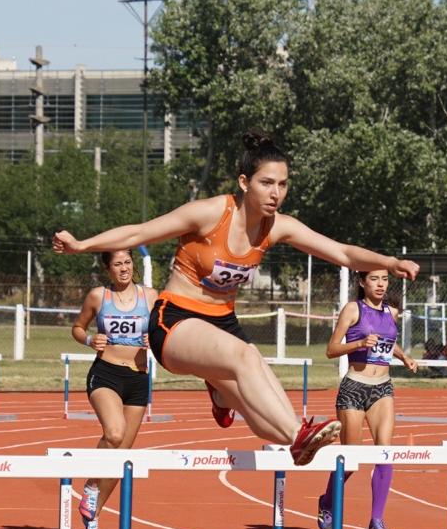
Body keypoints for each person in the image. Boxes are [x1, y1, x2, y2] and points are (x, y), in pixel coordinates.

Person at [53, 130, 420, 466]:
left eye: (283, 184)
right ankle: (298, 434)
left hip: (223, 325)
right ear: (245, 183)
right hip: (175, 319)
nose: (276, 193)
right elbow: (139, 232)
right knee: (248, 356)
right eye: (267, 183)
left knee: (263, 416)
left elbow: (341, 253)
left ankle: (268, 422)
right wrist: (83, 245)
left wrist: (389, 261)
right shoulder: (211, 212)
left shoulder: (278, 227)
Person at [315, 269, 419, 529]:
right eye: (374, 279)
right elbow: (331, 349)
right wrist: (359, 342)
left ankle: (377, 518)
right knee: (351, 459)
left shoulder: (391, 312)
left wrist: (404, 357)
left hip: (382, 388)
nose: (381, 284)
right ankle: (327, 503)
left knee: (385, 453)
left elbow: (388, 342)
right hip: (354, 388)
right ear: (362, 282)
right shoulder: (353, 309)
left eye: (384, 279)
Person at [67, 250, 158, 529]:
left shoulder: (150, 297)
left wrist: (153, 338)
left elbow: (165, 330)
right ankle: (91, 486)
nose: (124, 268)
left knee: (121, 459)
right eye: (117, 264)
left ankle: (93, 514)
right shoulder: (98, 296)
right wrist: (91, 339)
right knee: (114, 433)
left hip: (139, 379)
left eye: (128, 263)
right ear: (108, 269)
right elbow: (78, 327)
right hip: (106, 374)